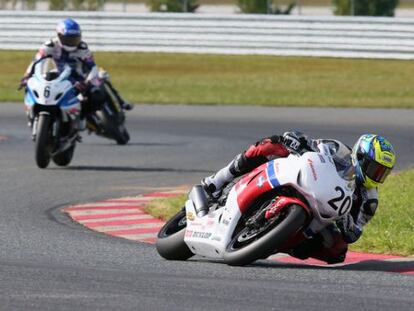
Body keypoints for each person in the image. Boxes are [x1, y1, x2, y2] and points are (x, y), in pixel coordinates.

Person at [201, 132, 396, 264]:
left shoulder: (369, 200)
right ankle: (216, 182)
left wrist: (344, 219)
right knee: (271, 145)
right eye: (375, 169)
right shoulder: (338, 150)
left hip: (319, 217)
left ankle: (279, 243)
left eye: (382, 173)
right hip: (300, 180)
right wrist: (295, 141)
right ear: (361, 157)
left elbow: (354, 233)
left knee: (338, 251)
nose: (377, 176)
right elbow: (312, 144)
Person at [18, 17, 132, 117]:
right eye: (68, 39)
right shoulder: (50, 45)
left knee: (101, 80)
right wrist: (26, 77)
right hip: (61, 76)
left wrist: (87, 82)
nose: (72, 43)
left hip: (83, 77)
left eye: (75, 39)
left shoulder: (82, 48)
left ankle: (121, 103)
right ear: (59, 36)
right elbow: (36, 61)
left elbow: (93, 67)